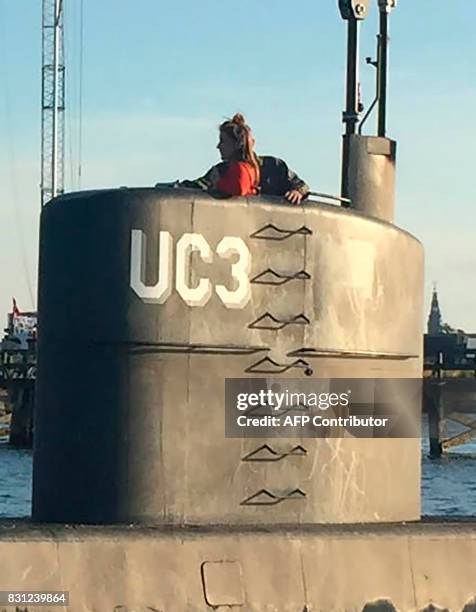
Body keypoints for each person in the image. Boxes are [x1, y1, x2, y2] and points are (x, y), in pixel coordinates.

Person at [177, 113, 310, 204]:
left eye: (223, 142)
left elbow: (302, 185)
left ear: (236, 144)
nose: (218, 146)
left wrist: (297, 192)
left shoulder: (274, 167)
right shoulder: (221, 170)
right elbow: (197, 186)